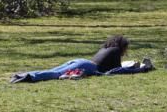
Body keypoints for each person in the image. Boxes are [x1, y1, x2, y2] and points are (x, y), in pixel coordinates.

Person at [10, 35, 153, 83]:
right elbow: (115, 70)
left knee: (53, 71)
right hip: (88, 66)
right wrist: (138, 70)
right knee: (55, 74)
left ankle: (25, 74)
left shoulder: (107, 48)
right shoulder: (115, 51)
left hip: (81, 60)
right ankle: (28, 77)